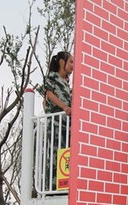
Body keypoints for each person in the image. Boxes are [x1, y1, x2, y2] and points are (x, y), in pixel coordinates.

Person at [44, 51, 73, 191]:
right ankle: (52, 186)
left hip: (66, 124)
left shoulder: (67, 82)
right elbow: (49, 94)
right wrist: (64, 107)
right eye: (71, 62)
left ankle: (63, 184)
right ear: (62, 62)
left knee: (65, 154)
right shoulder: (52, 76)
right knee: (56, 153)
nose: (73, 65)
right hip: (55, 121)